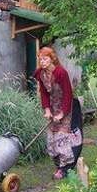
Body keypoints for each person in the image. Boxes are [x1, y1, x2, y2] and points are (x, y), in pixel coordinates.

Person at [34, 47, 83, 180]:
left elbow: (68, 94)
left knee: (63, 138)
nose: (42, 61)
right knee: (52, 139)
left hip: (68, 108)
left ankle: (65, 169)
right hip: (54, 107)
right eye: (40, 59)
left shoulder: (61, 72)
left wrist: (62, 114)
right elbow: (44, 93)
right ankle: (59, 165)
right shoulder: (41, 73)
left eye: (45, 58)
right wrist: (47, 110)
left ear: (52, 58)